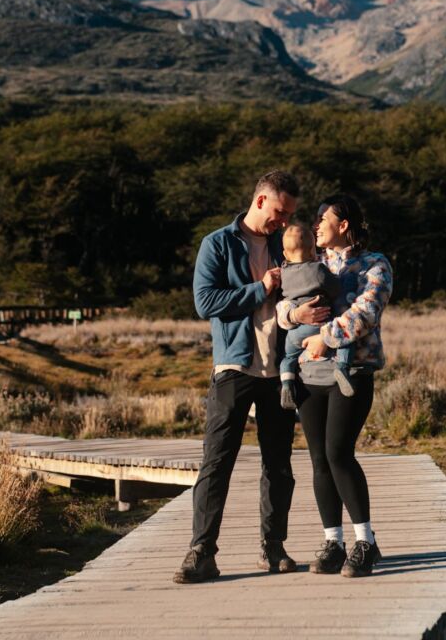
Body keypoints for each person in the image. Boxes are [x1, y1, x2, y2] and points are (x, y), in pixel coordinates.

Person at [173, 168, 304, 584]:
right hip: (234, 367)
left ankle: (274, 547)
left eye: (289, 216)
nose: (284, 222)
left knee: (278, 465)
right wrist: (261, 288)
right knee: (217, 463)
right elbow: (205, 301)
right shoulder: (218, 243)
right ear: (261, 200)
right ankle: (201, 552)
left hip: (281, 370)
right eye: (280, 212)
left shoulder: (288, 247)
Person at [277, 194, 393, 579]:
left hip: (352, 372)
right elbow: (284, 305)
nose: (316, 226)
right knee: (319, 460)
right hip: (311, 376)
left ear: (343, 224)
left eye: (322, 219)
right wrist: (294, 316)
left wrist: (325, 337)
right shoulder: (312, 263)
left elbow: (367, 312)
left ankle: (366, 543)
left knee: (338, 452)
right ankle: (333, 542)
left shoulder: (374, 265)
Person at [278, 223, 355, 410]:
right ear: (313, 251)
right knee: (345, 340)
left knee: (288, 357)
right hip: (321, 323)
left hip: (295, 332)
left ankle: (287, 384)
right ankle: (342, 367)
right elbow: (335, 288)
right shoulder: (318, 269)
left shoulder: (283, 272)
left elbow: (282, 301)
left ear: (285, 254)